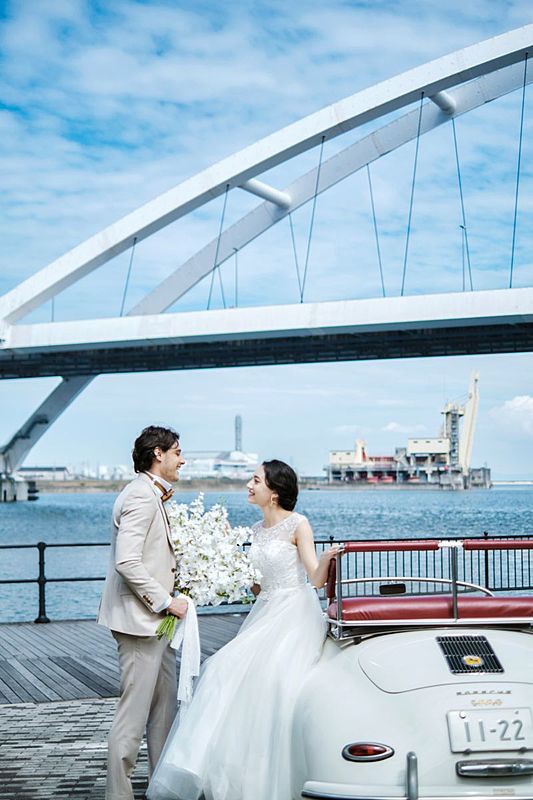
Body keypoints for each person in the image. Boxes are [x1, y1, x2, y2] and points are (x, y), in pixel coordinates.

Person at [147, 459, 340, 800]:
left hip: (294, 612)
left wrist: (326, 558)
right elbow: (256, 585)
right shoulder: (255, 530)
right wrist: (230, 564)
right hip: (265, 610)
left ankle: (275, 778)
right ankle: (216, 768)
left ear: (274, 492)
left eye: (256, 480)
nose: (249, 485)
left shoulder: (299, 524)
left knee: (274, 683)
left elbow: (315, 578)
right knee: (220, 670)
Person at [97, 425, 188, 800]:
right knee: (132, 719)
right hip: (140, 623)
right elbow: (127, 561)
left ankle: (159, 789)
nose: (183, 459)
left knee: (163, 713)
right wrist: (166, 601)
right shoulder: (140, 496)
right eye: (178, 451)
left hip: (155, 625)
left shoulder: (151, 494)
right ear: (158, 454)